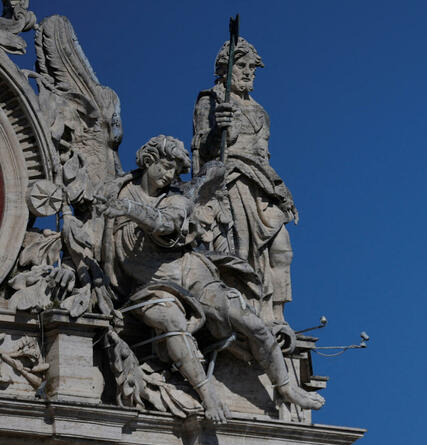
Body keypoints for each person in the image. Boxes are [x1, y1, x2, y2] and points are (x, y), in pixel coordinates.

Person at [99, 134, 324, 424]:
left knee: (250, 321)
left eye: (174, 171)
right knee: (172, 323)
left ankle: (286, 386)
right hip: (148, 286)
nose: (169, 176)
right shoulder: (116, 190)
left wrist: (130, 210)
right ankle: (209, 397)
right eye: (166, 167)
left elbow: (167, 224)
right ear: (149, 160)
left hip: (191, 272)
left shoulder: (175, 199)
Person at [192, 37, 296, 323]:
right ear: (225, 70)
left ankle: (277, 316)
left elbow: (265, 157)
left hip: (262, 185)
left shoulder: (261, 111)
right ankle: (246, 310)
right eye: (242, 66)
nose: (249, 72)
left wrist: (280, 189)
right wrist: (219, 130)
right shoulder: (210, 100)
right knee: (240, 253)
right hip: (231, 183)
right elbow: (202, 151)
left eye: (252, 67)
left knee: (282, 249)